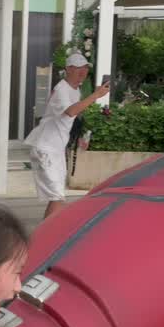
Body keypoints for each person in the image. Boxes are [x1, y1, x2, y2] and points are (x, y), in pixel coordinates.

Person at [22, 53, 110, 220]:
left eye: (85, 67)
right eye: (78, 67)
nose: (82, 71)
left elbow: (73, 114)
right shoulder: (62, 89)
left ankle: (49, 232)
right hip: (46, 148)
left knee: (58, 196)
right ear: (68, 70)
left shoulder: (74, 90)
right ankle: (46, 235)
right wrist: (95, 96)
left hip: (55, 149)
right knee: (57, 196)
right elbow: (70, 111)